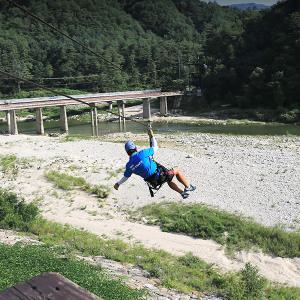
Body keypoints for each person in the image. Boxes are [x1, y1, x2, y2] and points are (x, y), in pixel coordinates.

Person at [114, 128, 196, 199]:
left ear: (127, 152)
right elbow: (155, 147)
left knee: (169, 179)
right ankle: (188, 187)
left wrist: (118, 184)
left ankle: (182, 193)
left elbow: (125, 177)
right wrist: (152, 136)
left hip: (154, 182)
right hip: (160, 175)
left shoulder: (129, 166)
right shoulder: (142, 154)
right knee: (176, 170)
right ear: (135, 148)